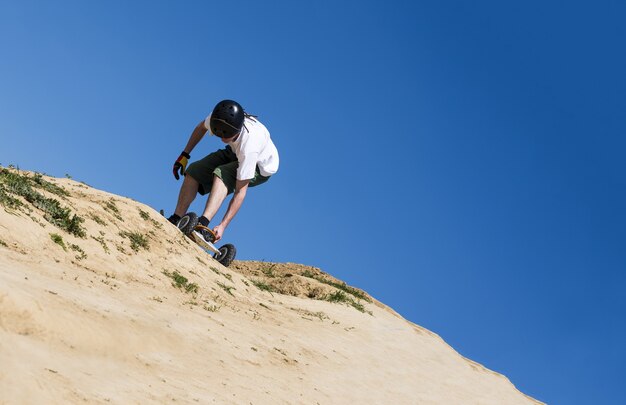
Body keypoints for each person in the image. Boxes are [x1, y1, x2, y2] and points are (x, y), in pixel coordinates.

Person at [168, 99, 279, 242]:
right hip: (234, 151)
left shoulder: (249, 148)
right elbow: (201, 128)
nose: (221, 138)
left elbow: (240, 192)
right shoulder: (220, 117)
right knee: (194, 170)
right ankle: (176, 217)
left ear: (236, 131)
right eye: (218, 134)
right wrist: (184, 155)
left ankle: (203, 224)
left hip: (260, 166)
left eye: (225, 136)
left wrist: (222, 226)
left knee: (222, 173)